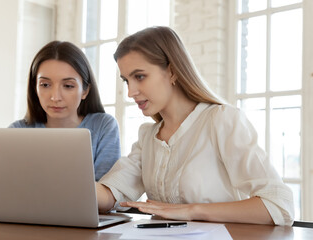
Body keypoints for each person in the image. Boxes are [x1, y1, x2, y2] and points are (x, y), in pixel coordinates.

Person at [95, 26, 294, 226]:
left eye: (139, 77)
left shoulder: (222, 120)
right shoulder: (148, 137)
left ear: (172, 71)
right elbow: (111, 193)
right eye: (126, 80)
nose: (130, 92)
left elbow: (279, 205)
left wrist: (191, 210)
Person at [0, 41, 121, 208]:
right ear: (35, 88)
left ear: (85, 90)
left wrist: (20, 195)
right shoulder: (18, 131)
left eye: (68, 86)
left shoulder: (103, 127)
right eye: (45, 85)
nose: (55, 97)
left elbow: (106, 196)